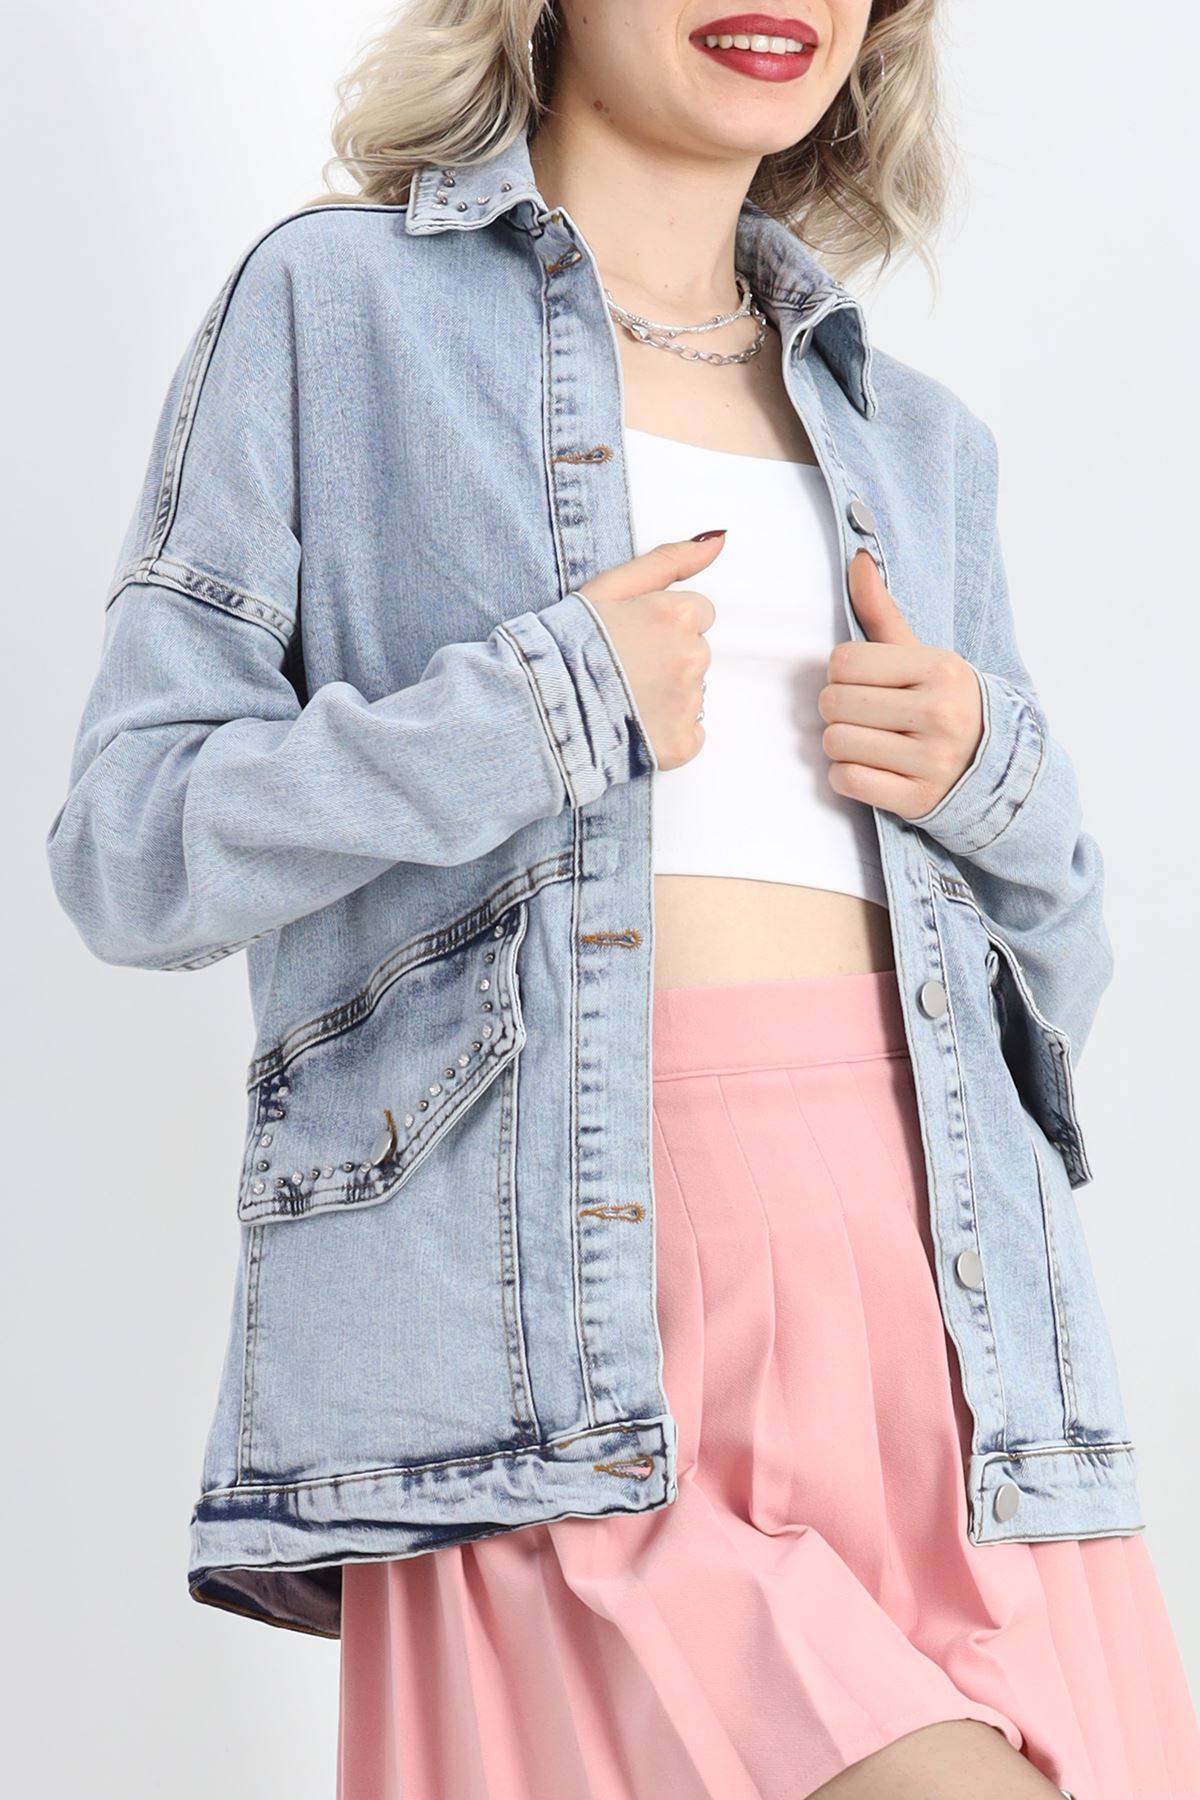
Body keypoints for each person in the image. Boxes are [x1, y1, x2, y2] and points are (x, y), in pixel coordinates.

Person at [45, 2, 1200, 1796]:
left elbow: (1061, 989)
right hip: (555, 1350)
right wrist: (535, 711)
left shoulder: (922, 443)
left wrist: (995, 772)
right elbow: (131, 850)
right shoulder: (338, 313)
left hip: (961, 1365)